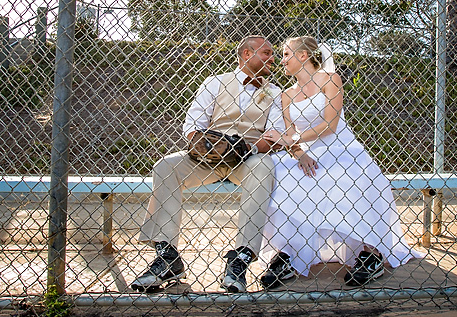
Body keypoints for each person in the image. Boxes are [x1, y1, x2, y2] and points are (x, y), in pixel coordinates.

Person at [258, 36, 422, 289]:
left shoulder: (330, 80)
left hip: (340, 147)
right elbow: (289, 136)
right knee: (282, 174)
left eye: (287, 54)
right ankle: (287, 253)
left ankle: (370, 253)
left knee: (346, 175)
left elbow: (329, 125)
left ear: (303, 56)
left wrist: (291, 138)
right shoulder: (287, 95)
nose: (282, 60)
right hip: (307, 153)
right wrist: (299, 153)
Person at [131, 35, 287, 293]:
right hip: (208, 159)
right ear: (247, 55)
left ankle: (241, 259)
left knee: (264, 166)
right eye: (266, 53)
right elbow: (192, 125)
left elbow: (275, 135)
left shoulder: (275, 92)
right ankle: (167, 256)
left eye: (273, 54)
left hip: (247, 161)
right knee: (165, 166)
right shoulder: (214, 83)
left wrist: (247, 148)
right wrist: (208, 147)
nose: (273, 58)